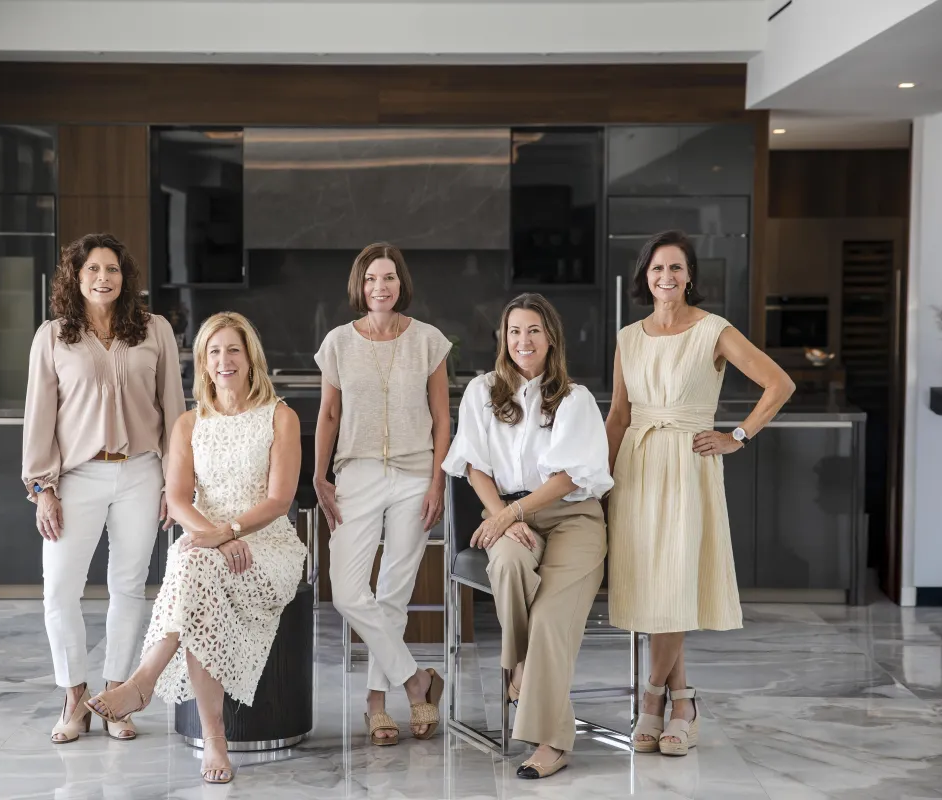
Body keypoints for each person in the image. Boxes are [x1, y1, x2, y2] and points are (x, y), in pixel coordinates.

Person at [87, 312, 306, 785]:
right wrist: (216, 538)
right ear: (203, 363)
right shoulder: (189, 423)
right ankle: (212, 737)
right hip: (209, 541)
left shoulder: (280, 417)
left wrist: (229, 532)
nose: (225, 360)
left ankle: (144, 683)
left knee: (192, 566)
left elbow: (279, 500)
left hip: (266, 545)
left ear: (250, 357)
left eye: (234, 350)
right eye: (214, 351)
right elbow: (178, 498)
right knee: (196, 573)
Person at [605, 230, 795, 756]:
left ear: (690, 275)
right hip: (636, 467)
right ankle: (683, 703)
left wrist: (738, 436)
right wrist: (598, 481)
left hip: (688, 465)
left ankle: (652, 698)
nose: (666, 277)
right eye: (657, 268)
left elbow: (779, 383)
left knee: (674, 582)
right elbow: (618, 415)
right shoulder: (628, 337)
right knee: (652, 586)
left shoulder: (714, 330)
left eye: (675, 267)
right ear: (645, 277)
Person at [22, 232, 186, 744]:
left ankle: (117, 694)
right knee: (59, 591)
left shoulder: (155, 330)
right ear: (75, 277)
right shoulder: (53, 336)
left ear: (124, 276)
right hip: (76, 476)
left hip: (141, 473)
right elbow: (40, 416)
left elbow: (174, 410)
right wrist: (43, 488)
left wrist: (174, 482)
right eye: (92, 268)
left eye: (111, 268)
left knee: (129, 586)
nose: (102, 277)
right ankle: (75, 696)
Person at [443, 293, 613, 780]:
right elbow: (473, 465)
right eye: (514, 331)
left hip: (572, 517)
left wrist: (514, 512)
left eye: (534, 330)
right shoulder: (481, 391)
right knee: (508, 563)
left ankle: (548, 740)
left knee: (551, 618)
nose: (524, 340)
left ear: (551, 337)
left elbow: (568, 477)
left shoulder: (574, 398)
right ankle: (520, 669)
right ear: (503, 338)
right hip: (506, 512)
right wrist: (503, 516)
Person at [313, 242, 451, 745]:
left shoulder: (428, 340)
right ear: (360, 285)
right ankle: (417, 680)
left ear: (401, 283)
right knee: (348, 591)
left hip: (416, 475)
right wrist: (319, 474)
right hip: (357, 473)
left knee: (394, 591)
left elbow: (443, 418)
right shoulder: (338, 343)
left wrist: (437, 481)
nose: (380, 286)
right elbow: (329, 413)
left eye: (389, 277)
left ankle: (376, 702)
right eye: (372, 278)